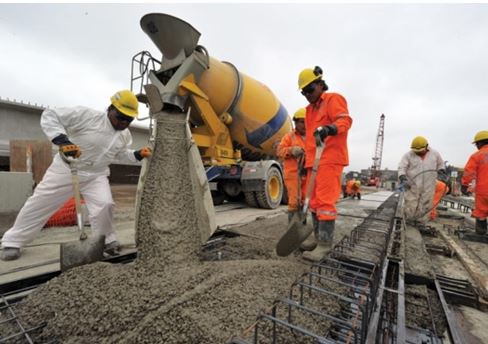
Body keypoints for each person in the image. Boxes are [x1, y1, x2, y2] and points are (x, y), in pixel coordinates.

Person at [1, 90, 152, 261]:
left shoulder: (124, 135)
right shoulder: (87, 116)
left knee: (105, 205)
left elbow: (121, 153)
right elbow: (51, 115)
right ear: (111, 109)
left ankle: (105, 240)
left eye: (129, 119)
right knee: (41, 202)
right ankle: (13, 241)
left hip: (96, 175)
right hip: (67, 169)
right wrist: (63, 141)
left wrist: (137, 154)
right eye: (120, 116)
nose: (123, 122)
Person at [297, 66, 353, 261]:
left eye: (310, 89)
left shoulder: (333, 99)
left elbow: (345, 121)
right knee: (313, 202)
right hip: (315, 161)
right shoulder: (309, 110)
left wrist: (330, 128)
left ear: (320, 84)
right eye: (303, 92)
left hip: (330, 159)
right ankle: (318, 238)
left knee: (325, 202)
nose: (307, 95)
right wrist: (306, 162)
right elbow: (310, 140)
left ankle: (325, 245)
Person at [398, 136, 446, 225]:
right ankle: (408, 222)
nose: (419, 153)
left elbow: (441, 164)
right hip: (412, 185)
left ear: (427, 147)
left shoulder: (435, 154)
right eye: (416, 151)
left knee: (426, 205)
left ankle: (421, 223)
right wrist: (402, 177)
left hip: (429, 185)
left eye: (420, 151)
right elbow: (401, 167)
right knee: (410, 204)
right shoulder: (408, 155)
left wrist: (441, 171)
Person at [277, 108, 307, 220]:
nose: (305, 125)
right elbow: (279, 151)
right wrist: (291, 150)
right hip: (293, 175)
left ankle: (302, 224)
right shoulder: (289, 137)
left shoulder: (313, 137)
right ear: (296, 122)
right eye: (302, 122)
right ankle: (293, 228)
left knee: (306, 200)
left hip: (308, 174)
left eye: (307, 121)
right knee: (294, 201)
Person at [461, 130, 488, 234]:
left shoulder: (477, 156)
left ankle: (481, 232)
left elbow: (469, 172)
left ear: (480, 143)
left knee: (481, 212)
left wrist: (464, 185)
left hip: (483, 191)